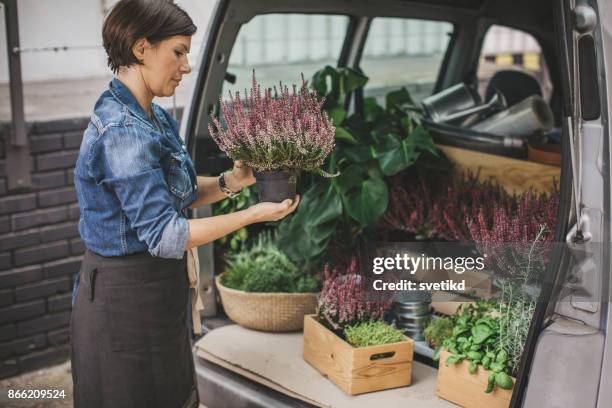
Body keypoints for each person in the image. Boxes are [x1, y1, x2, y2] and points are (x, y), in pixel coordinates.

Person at [69, 1, 299, 407]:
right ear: (142, 48)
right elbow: (165, 234)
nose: (187, 66)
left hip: (156, 290)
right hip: (124, 301)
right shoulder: (124, 132)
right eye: (178, 51)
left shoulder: (150, 117)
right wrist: (254, 214)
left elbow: (181, 194)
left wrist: (235, 181)